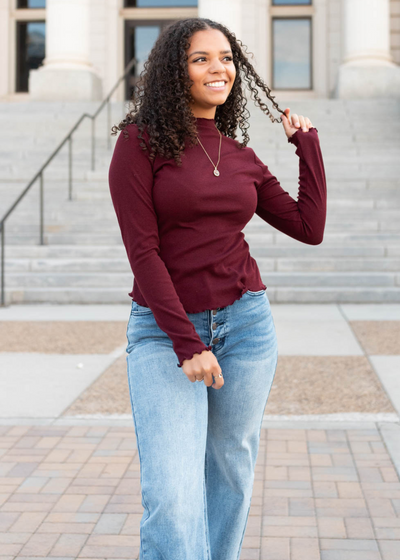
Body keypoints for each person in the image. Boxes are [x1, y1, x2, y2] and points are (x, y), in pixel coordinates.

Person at [108, 16, 327, 560]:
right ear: (173, 71)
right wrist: (188, 342)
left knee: (230, 473)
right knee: (173, 494)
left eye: (226, 57)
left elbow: (309, 228)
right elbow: (143, 252)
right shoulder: (138, 144)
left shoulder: (241, 157)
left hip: (246, 325)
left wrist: (308, 147)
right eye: (201, 58)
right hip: (166, 334)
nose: (218, 68)